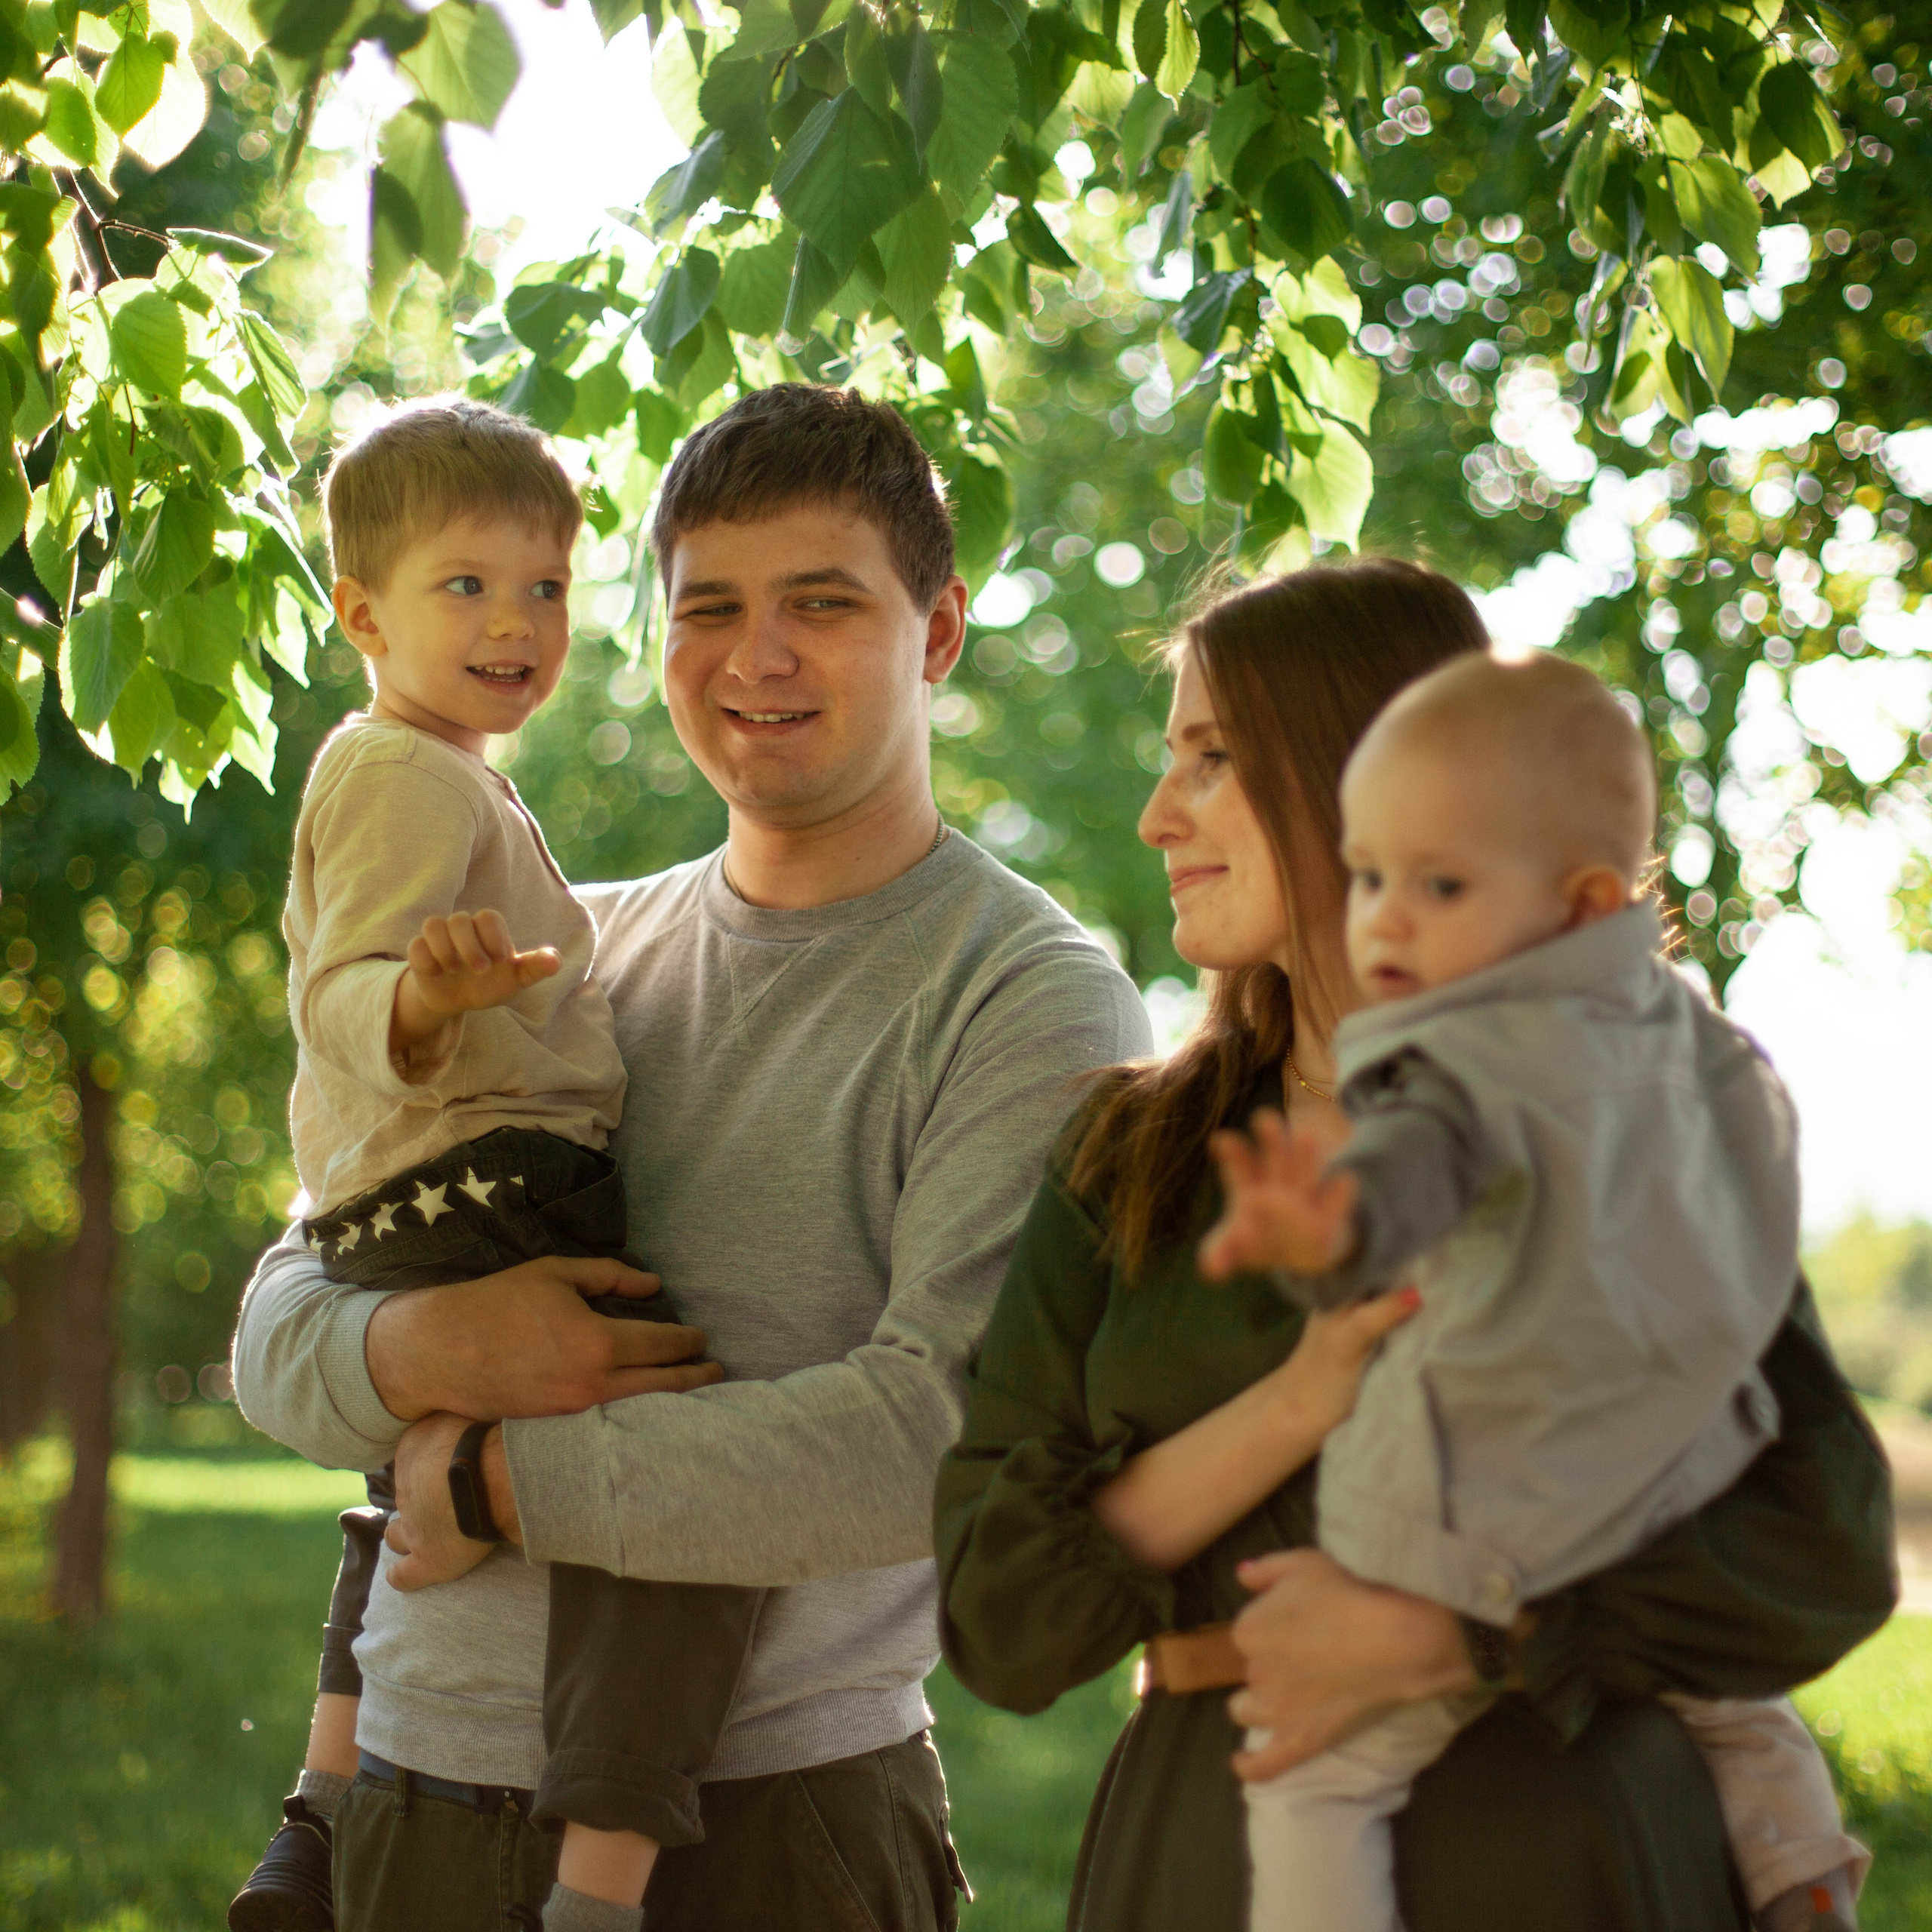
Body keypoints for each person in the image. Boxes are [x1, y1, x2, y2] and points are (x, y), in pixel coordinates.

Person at [230, 382, 1152, 1931]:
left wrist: (480, 1469)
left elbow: (932, 1439)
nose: (757, 653)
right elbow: (278, 1321)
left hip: (768, 1841)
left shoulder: (1030, 993)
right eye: (707, 605)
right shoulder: (562, 957)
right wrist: (425, 1341)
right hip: (401, 1814)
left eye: (821, 603)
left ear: (936, 631)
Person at [934, 561, 1897, 1932]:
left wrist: (1469, 1633)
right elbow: (1002, 1614)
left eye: (1211, 761)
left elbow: (1823, 1539)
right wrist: (1303, 1397)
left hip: (1579, 1851)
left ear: (1367, 770)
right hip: (1219, 1858)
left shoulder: (1618, 1111)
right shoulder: (1128, 1155)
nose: (1159, 815)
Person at [1196, 649, 1866, 1932]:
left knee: (1313, 1778)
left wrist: (1329, 1228)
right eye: (1372, 875)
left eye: (1438, 885)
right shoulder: (1712, 1052)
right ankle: (1803, 1875)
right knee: (1736, 1706)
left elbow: (1413, 1177)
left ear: (1579, 906)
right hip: (1684, 1485)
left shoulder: (1466, 1058)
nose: (1386, 919)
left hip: (1486, 1529)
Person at [230, 397, 761, 1932]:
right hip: (482, 1181)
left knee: (408, 1478)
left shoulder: (440, 763)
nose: (515, 620)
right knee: (684, 1488)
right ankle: (598, 1886)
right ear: (359, 611)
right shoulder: (405, 772)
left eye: (546, 586)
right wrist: (416, 998)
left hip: (422, 1197)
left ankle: (316, 1811)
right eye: (464, 584)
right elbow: (336, 992)